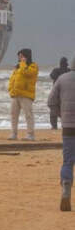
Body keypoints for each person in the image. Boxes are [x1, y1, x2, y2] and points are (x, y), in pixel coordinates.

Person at [47, 55, 75, 211]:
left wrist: (61, 115)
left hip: (68, 127)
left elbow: (50, 101)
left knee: (68, 161)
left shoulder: (62, 79)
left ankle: (66, 185)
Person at [8, 48, 39, 141]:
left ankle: (30, 134)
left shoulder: (33, 66)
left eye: (21, 56)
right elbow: (12, 78)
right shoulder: (18, 67)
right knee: (13, 115)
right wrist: (10, 89)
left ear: (26, 56)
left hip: (26, 95)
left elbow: (27, 73)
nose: (20, 58)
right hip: (15, 94)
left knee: (28, 115)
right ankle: (13, 134)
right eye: (19, 56)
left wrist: (22, 64)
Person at [49, 57, 70, 129]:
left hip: (56, 93)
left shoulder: (56, 70)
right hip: (66, 93)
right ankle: (65, 125)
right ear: (67, 63)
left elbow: (51, 76)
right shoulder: (68, 71)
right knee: (66, 110)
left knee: (53, 109)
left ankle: (54, 126)